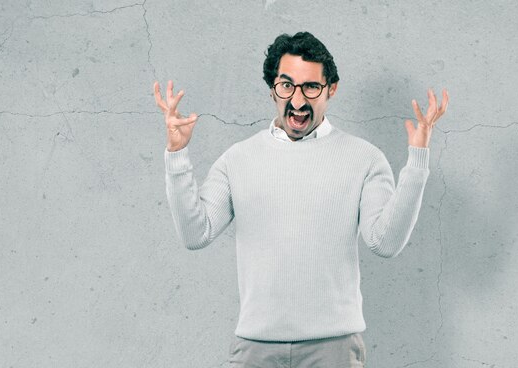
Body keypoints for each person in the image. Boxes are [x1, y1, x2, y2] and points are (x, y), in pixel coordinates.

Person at [154, 31, 448, 368]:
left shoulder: (364, 158)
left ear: (330, 89)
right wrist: (176, 154)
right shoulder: (237, 159)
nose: (297, 100)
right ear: (272, 88)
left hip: (333, 350)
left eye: (310, 87)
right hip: (255, 348)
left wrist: (417, 161)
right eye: (286, 85)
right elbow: (196, 234)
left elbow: (386, 242)